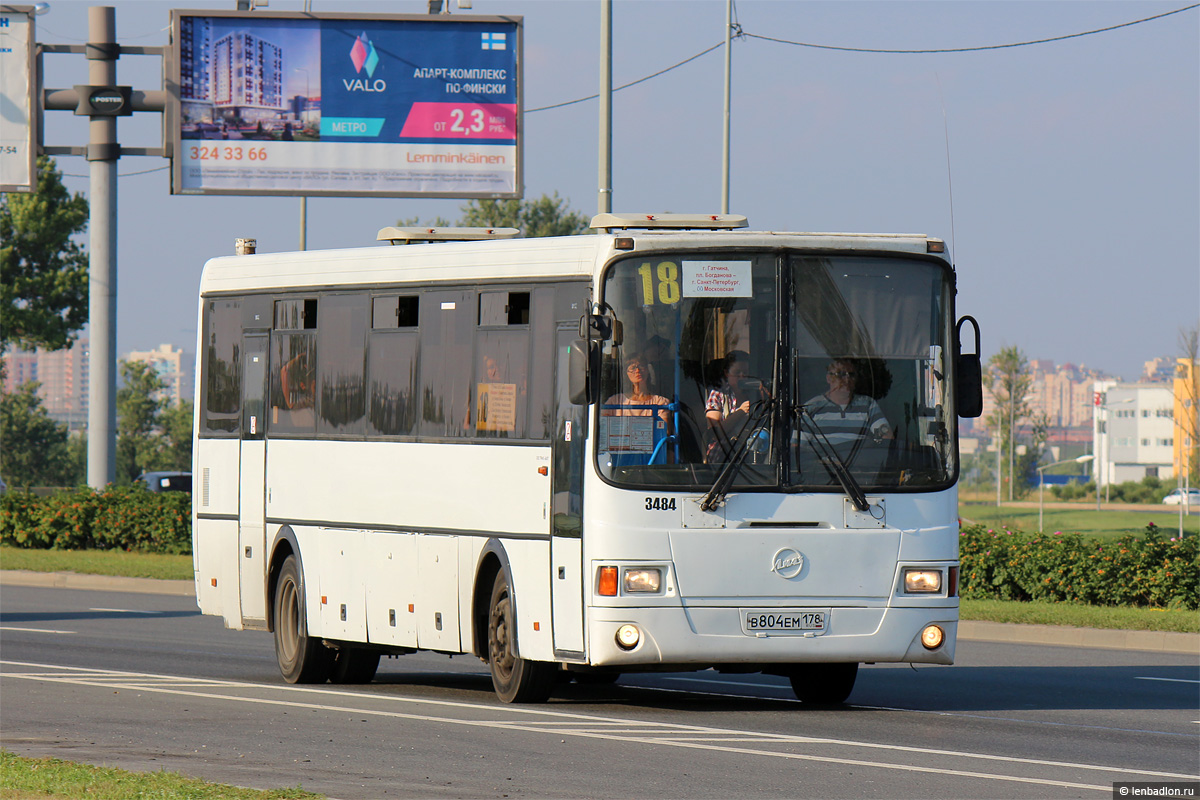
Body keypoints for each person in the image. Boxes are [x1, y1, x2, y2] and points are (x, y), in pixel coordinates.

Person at [801, 358, 892, 453]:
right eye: (841, 374)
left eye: (851, 375)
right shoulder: (811, 407)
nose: (847, 379)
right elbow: (798, 447)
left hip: (860, 465)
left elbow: (887, 437)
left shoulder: (868, 405)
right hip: (822, 467)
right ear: (828, 378)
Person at [705, 350, 767, 462]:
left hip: (755, 455)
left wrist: (764, 400)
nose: (742, 376)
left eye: (746, 372)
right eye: (737, 373)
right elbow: (714, 433)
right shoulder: (718, 395)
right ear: (726, 373)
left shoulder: (758, 393)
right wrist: (741, 411)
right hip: (723, 457)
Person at [604, 353, 670, 420]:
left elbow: (664, 429)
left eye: (641, 366)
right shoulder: (615, 401)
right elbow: (603, 426)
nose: (638, 371)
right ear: (626, 373)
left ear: (648, 370)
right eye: (633, 368)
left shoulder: (660, 402)